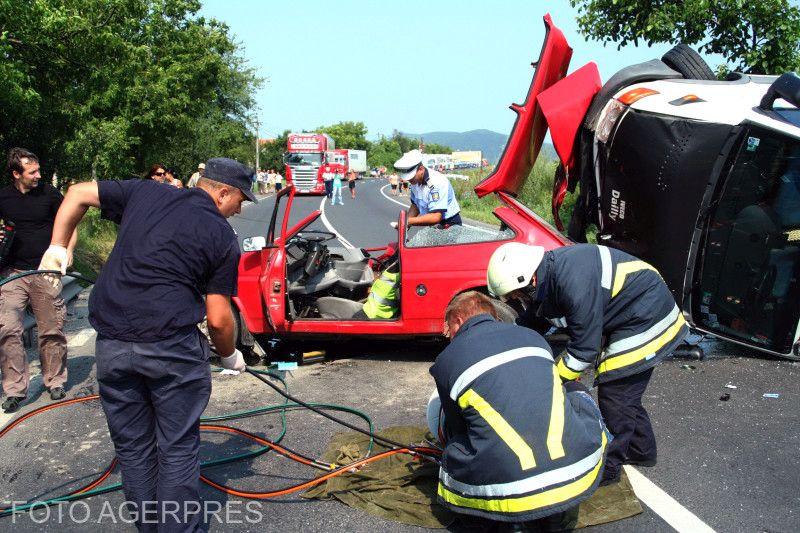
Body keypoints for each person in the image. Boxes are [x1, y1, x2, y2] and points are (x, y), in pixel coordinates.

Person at [42, 157, 255, 530]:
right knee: (176, 450)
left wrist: (58, 246)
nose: (239, 209)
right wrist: (229, 355)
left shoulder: (145, 193)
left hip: (112, 344)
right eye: (240, 200)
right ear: (222, 192)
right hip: (171, 348)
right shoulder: (221, 236)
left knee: (134, 450)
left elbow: (76, 194)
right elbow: (219, 319)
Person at [486, 242, 689, 486]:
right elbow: (535, 318)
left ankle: (610, 468)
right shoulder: (548, 276)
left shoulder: (573, 284)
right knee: (626, 394)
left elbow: (584, 350)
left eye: (516, 295)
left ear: (529, 280)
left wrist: (551, 380)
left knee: (616, 394)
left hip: (646, 315)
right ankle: (641, 450)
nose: (516, 300)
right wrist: (504, 342)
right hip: (633, 310)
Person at [428, 291, 608, 529]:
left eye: (448, 328)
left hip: (506, 493)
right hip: (575, 474)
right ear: (493, 315)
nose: (448, 335)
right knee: (574, 389)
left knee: (453, 446)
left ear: (459, 321)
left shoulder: (446, 360)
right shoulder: (532, 336)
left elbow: (457, 427)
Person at [0, 148, 78, 413]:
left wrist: (68, 251)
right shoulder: (3, 197)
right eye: (32, 172)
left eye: (38, 170)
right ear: (16, 173)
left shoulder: (49, 193)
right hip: (13, 273)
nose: (38, 175)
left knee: (52, 329)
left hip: (46, 271)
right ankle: (14, 389)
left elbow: (71, 221)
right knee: (8, 329)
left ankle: (55, 380)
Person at [393, 149, 461, 227]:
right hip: (432, 224)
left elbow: (436, 217)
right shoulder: (415, 182)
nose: (409, 180)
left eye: (412, 177)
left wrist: (408, 221)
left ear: (421, 169)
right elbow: (415, 205)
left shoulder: (437, 182)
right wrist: (405, 224)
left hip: (449, 223)